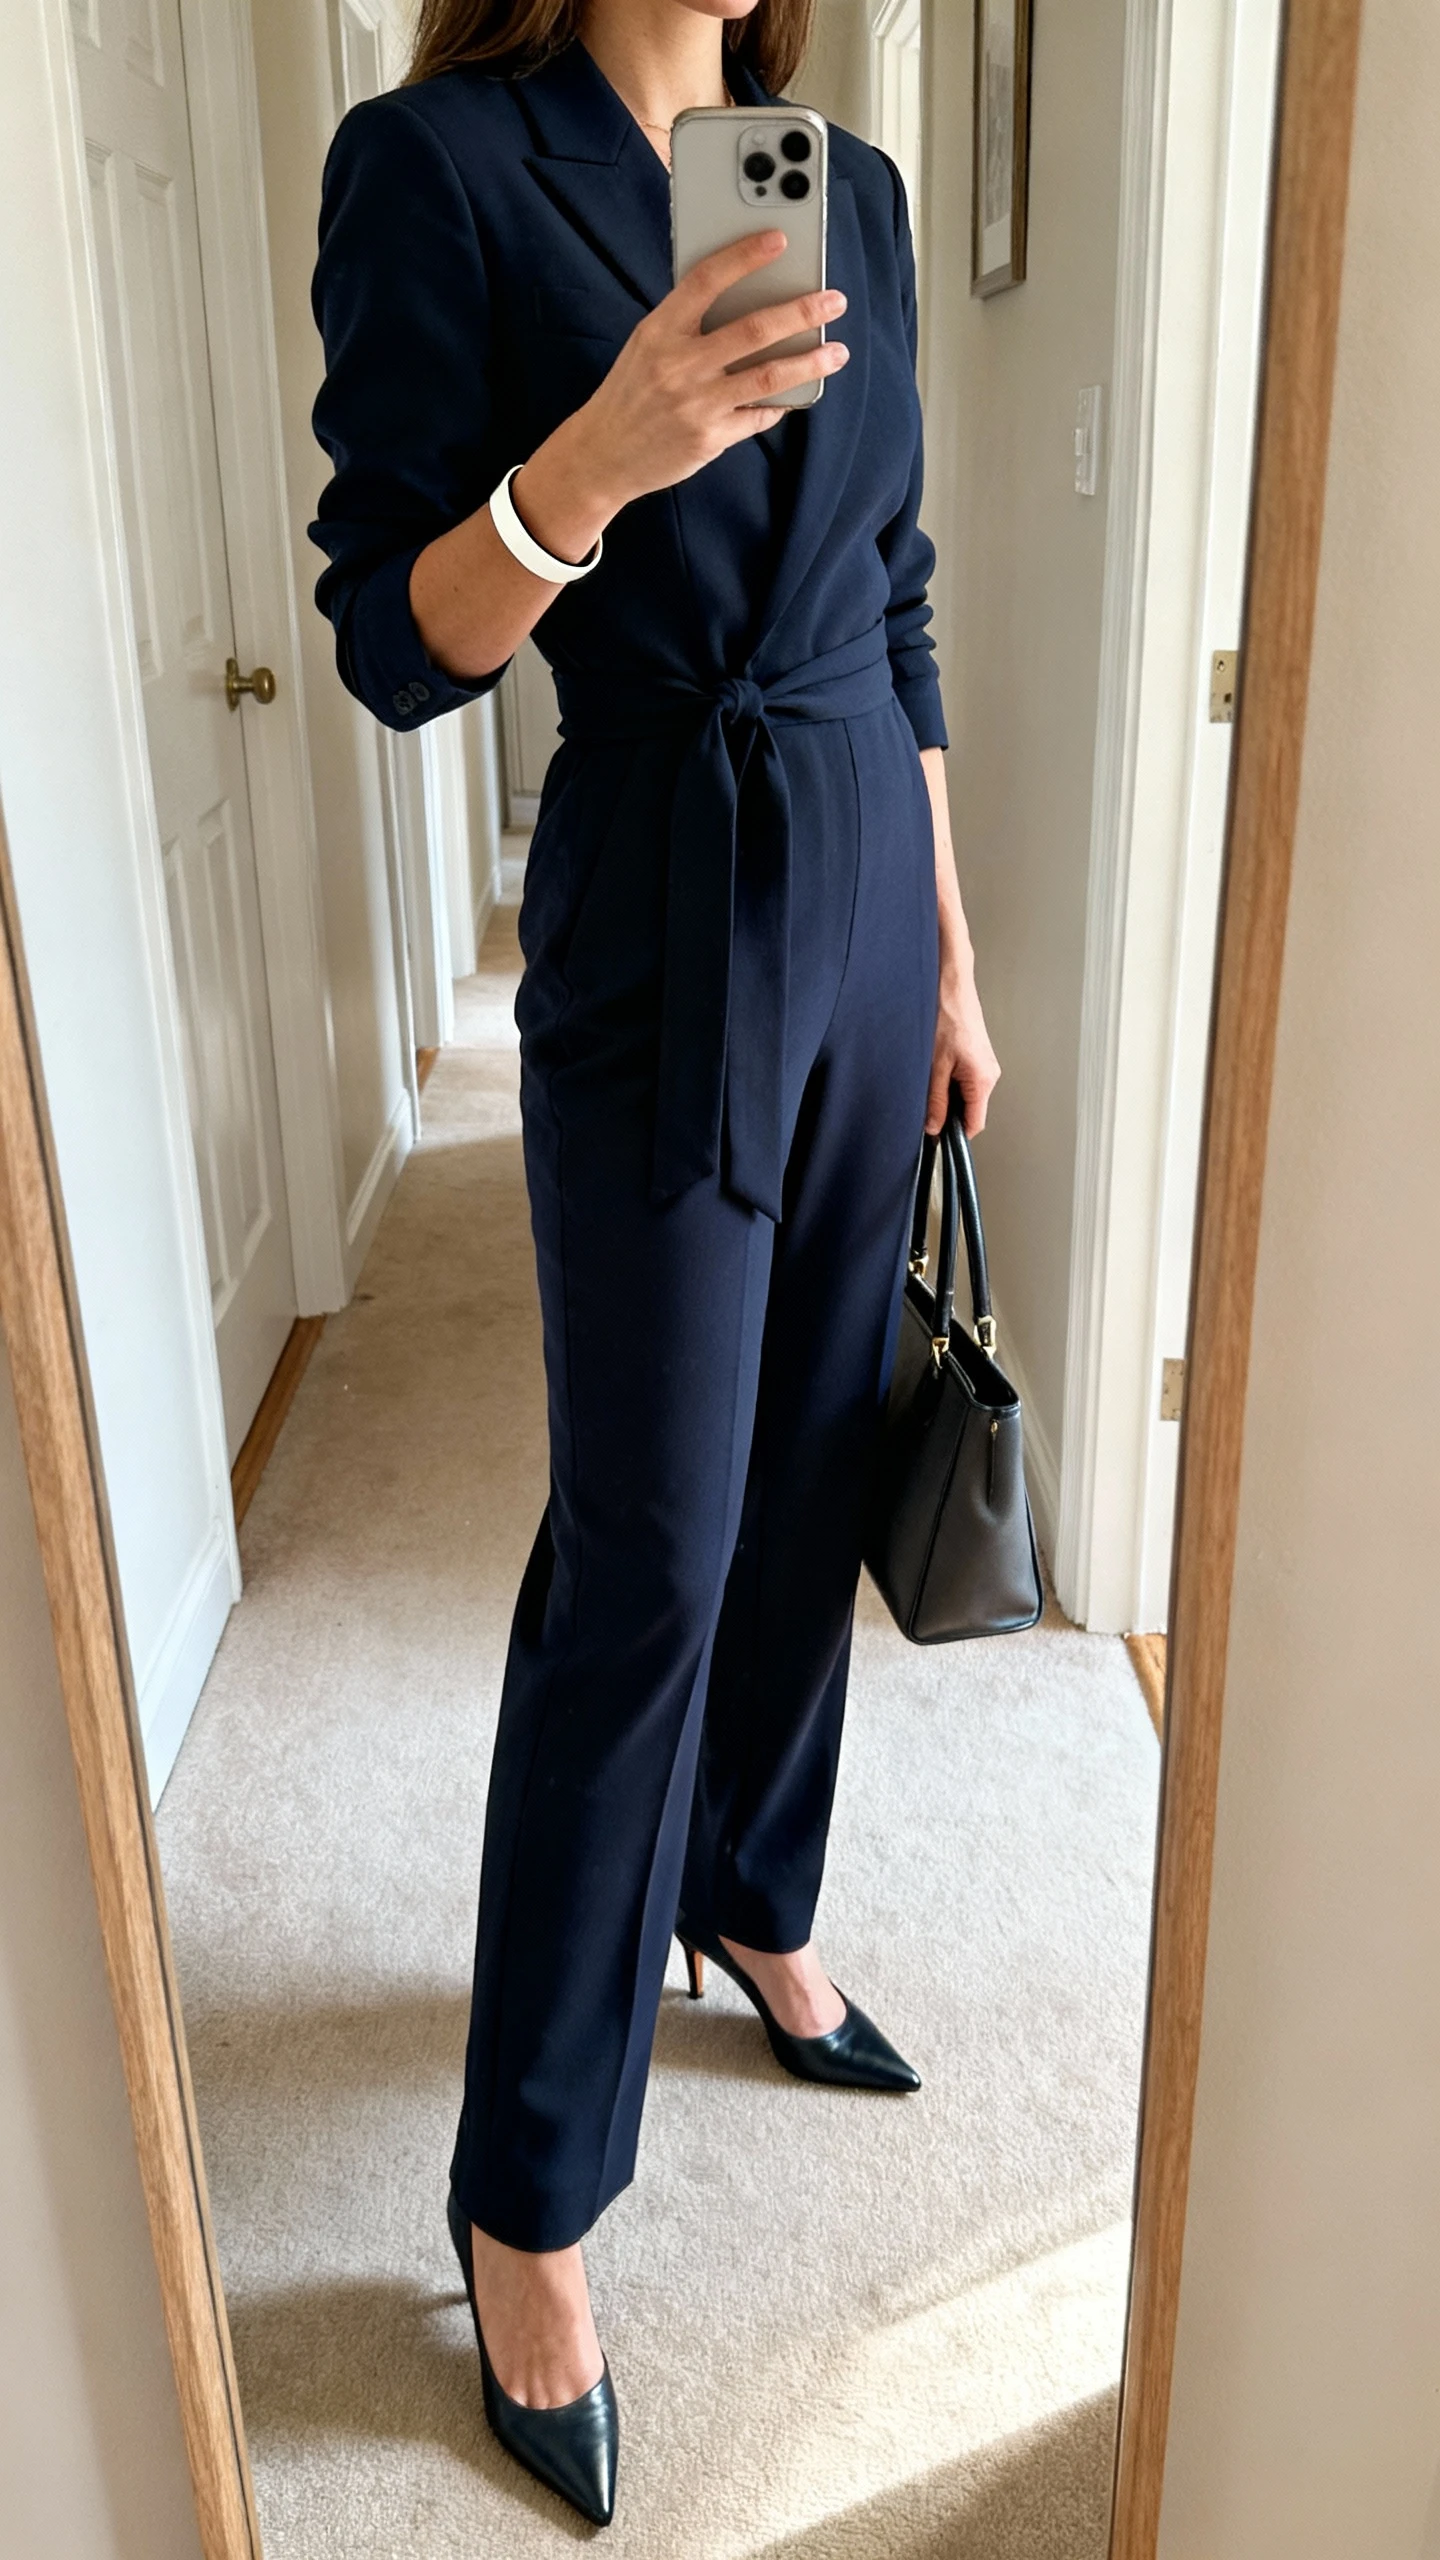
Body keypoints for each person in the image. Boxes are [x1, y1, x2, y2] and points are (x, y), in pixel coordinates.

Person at [310, 0, 1000, 2524]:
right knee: (649, 1554)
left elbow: (899, 594)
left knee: (809, 1476)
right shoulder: (437, 165)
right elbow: (395, 641)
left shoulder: (848, 187)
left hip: (852, 893)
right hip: (656, 907)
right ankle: (524, 2191)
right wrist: (587, 469)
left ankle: (749, 1894)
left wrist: (942, 954)